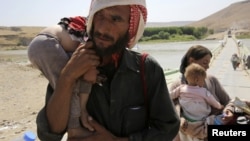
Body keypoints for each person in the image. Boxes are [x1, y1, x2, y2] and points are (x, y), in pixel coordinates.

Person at [29, 0, 180, 141]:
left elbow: (168, 128)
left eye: (115, 19)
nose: (102, 27)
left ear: (131, 26)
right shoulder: (72, 61)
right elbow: (50, 134)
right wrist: (68, 76)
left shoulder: (147, 68)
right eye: (99, 15)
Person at [28, 16, 100, 139]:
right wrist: (92, 71)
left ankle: (75, 122)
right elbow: (85, 59)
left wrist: (83, 108)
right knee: (69, 85)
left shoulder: (81, 27)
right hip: (47, 44)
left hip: (42, 45)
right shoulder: (92, 31)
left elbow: (85, 78)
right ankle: (74, 129)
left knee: (71, 83)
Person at [169, 45, 233, 141]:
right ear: (191, 61)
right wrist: (181, 120)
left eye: (208, 63)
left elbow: (228, 101)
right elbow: (173, 112)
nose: (208, 66)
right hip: (189, 133)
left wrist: (229, 111)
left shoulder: (212, 80)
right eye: (204, 63)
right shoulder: (177, 86)